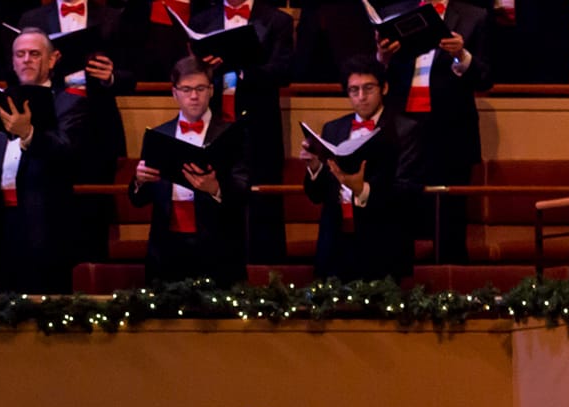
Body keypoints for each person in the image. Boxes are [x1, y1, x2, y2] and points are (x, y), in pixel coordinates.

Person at [20, 0, 139, 263]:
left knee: (94, 214)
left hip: (97, 132)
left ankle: (93, 281)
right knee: (48, 210)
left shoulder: (111, 16)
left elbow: (132, 75)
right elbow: (17, 72)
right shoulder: (33, 18)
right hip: (50, 125)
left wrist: (111, 76)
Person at [0, 29, 86, 293]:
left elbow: (67, 153)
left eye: (34, 54)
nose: (26, 60)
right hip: (1, 232)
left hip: (46, 231)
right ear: (13, 62)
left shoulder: (69, 101)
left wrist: (29, 134)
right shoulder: (0, 102)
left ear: (52, 59)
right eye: (20, 54)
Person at [377, 0, 491, 263]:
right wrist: (382, 59)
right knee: (399, 213)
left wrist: (462, 55)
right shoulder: (392, 14)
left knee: (449, 218)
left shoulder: (474, 16)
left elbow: (486, 78)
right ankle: (399, 280)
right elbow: (373, 76)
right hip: (401, 129)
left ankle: (450, 281)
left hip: (450, 131)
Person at [186, 0, 295, 263]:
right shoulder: (202, 21)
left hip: (258, 131)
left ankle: (267, 279)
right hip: (214, 129)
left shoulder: (277, 20)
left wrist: (238, 68)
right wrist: (206, 70)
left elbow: (283, 71)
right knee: (215, 205)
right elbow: (189, 74)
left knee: (263, 210)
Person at [130, 57, 248, 285]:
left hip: (217, 248)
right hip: (167, 249)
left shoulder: (232, 134)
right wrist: (139, 180)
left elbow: (244, 188)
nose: (194, 96)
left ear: (211, 91)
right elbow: (138, 200)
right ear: (175, 93)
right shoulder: (159, 135)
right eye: (186, 89)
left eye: (200, 88)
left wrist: (215, 188)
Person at [304, 56, 421, 283]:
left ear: (384, 88)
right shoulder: (333, 128)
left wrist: (363, 189)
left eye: (368, 88)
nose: (361, 96)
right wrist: (314, 167)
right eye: (354, 90)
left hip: (383, 242)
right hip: (336, 242)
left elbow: (409, 189)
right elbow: (316, 196)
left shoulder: (406, 129)